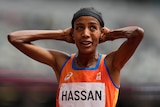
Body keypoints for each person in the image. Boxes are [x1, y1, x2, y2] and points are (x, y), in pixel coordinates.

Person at [8, 7, 144, 107]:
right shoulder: (61, 62)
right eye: (79, 28)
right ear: (72, 33)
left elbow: (137, 33)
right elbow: (15, 38)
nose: (85, 33)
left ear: (101, 33)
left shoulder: (111, 64)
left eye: (92, 28)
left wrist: (111, 35)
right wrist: (61, 34)